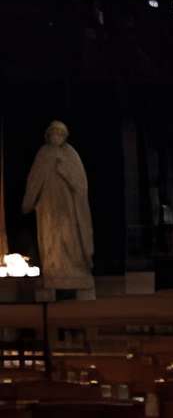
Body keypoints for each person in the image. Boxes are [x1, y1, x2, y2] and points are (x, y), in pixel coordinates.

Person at [22, 121, 95, 297]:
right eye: (54, 133)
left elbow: (81, 185)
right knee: (51, 240)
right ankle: (53, 272)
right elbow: (34, 180)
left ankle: (76, 271)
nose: (57, 136)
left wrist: (65, 172)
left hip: (68, 208)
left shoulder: (71, 154)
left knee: (70, 238)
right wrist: (28, 202)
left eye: (61, 133)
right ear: (48, 135)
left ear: (65, 136)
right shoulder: (43, 153)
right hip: (48, 207)